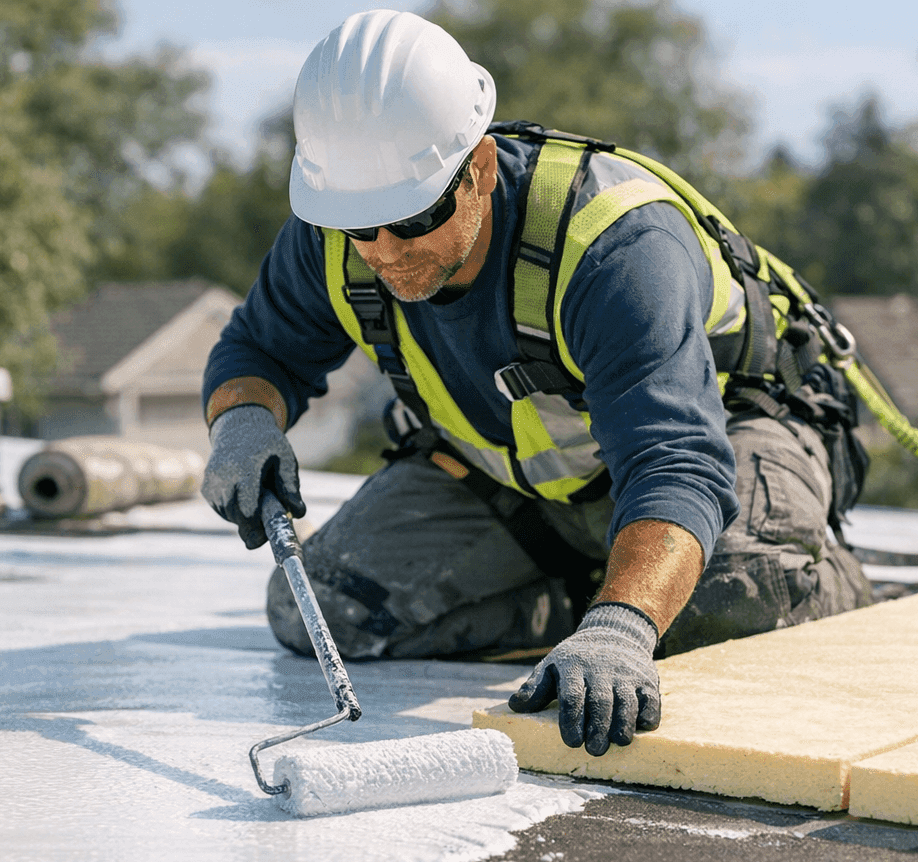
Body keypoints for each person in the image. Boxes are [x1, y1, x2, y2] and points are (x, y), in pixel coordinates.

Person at [200, 10, 871, 759]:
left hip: (731, 437)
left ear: (479, 169)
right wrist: (243, 424)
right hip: (528, 483)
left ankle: (791, 581)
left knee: (733, 601)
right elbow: (259, 349)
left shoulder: (615, 245)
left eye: (412, 217)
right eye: (360, 227)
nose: (384, 252)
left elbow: (676, 464)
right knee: (320, 612)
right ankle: (606, 592)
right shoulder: (334, 235)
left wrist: (622, 630)